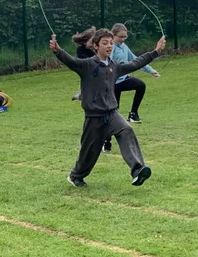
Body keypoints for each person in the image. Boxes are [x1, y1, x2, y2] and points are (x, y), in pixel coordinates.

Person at [50, 28, 165, 188]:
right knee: (89, 153)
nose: (109, 46)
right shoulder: (87, 65)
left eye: (110, 43)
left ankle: (137, 170)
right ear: (96, 46)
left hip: (112, 114)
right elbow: (71, 61)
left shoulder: (114, 66)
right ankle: (75, 176)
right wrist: (58, 51)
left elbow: (135, 63)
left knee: (126, 130)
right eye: (105, 43)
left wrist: (155, 52)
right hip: (93, 118)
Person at [103, 23, 161, 152]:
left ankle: (133, 114)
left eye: (125, 37)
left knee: (140, 85)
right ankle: (106, 142)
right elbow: (107, 64)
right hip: (113, 84)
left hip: (123, 80)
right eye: (121, 37)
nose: (123, 39)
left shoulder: (124, 47)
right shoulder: (110, 48)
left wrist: (151, 71)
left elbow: (136, 60)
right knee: (113, 114)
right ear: (113, 35)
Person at [71, 26, 96, 101]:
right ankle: (82, 94)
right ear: (85, 42)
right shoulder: (80, 50)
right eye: (91, 42)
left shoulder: (95, 49)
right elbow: (84, 62)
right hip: (86, 71)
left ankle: (82, 94)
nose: (93, 45)